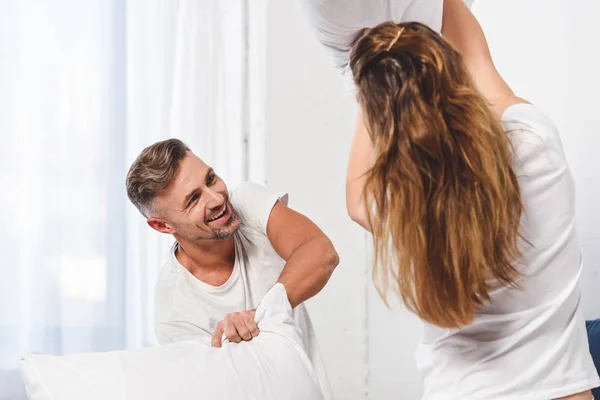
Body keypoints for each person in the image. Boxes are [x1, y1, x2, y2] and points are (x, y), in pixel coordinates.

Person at [299, 0, 599, 399]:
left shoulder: (403, 205)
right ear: (452, 79)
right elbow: (475, 53)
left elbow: (356, 201)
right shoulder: (532, 145)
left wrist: (374, 84)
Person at [125, 138, 338, 399]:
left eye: (211, 178)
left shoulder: (246, 202)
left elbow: (321, 252)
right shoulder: (175, 313)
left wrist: (258, 315)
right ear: (163, 226)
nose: (216, 198)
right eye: (193, 199)